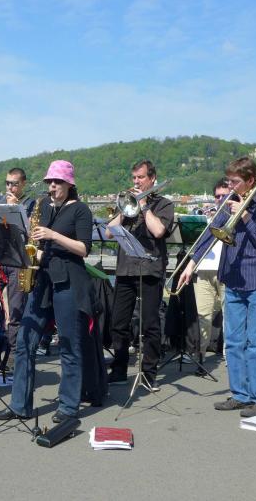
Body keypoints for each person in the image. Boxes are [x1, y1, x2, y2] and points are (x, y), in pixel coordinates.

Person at [178, 157, 256, 418]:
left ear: (250, 180)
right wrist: (191, 264)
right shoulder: (229, 200)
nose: (231, 186)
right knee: (233, 342)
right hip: (233, 278)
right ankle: (239, 395)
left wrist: (244, 214)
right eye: (229, 181)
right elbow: (211, 233)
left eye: (235, 182)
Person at [0, 160, 93, 423]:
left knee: (69, 344)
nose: (52, 186)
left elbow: (84, 249)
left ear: (69, 184)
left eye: (57, 182)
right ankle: (19, 405)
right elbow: (38, 245)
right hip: (43, 279)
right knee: (25, 341)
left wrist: (53, 235)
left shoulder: (80, 210)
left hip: (68, 280)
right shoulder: (45, 207)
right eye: (50, 182)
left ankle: (69, 406)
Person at [105, 160, 174, 389]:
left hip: (150, 270)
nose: (136, 182)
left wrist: (143, 206)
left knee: (150, 324)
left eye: (141, 177)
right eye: (134, 177)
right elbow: (109, 233)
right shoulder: (127, 201)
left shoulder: (164, 204)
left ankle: (148, 374)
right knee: (119, 322)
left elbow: (158, 230)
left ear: (152, 178)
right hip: (125, 269)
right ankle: (119, 370)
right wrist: (125, 210)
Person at [0, 168, 36, 368]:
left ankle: (15, 354)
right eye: (7, 183)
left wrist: (17, 209)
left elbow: (31, 232)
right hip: (2, 257)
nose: (10, 187)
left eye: (14, 184)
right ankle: (0, 349)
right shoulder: (1, 202)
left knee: (15, 308)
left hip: (20, 260)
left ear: (23, 184)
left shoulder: (31, 204)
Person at [193, 178, 231, 357]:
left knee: (229, 315)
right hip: (203, 270)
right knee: (203, 316)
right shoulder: (206, 218)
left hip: (225, 270)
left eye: (224, 196)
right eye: (217, 196)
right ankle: (200, 355)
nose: (220, 200)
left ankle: (229, 356)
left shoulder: (232, 217)